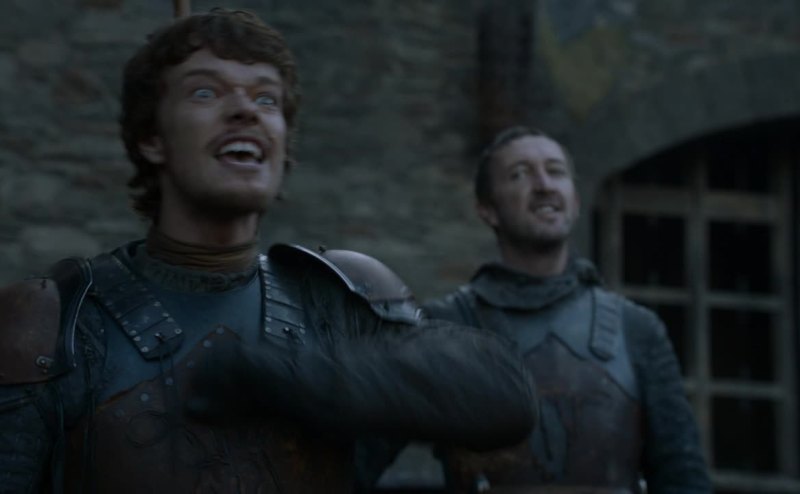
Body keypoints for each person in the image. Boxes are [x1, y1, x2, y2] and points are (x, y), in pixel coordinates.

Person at [0, 11, 538, 493]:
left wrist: (290, 376)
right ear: (152, 139)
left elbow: (502, 393)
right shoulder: (59, 322)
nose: (245, 110)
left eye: (266, 99)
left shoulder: (333, 298)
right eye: (205, 92)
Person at [422, 126, 712, 493]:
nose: (544, 185)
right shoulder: (446, 328)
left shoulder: (636, 329)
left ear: (574, 201)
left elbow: (682, 476)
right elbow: (362, 456)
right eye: (520, 174)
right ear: (488, 209)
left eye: (555, 171)